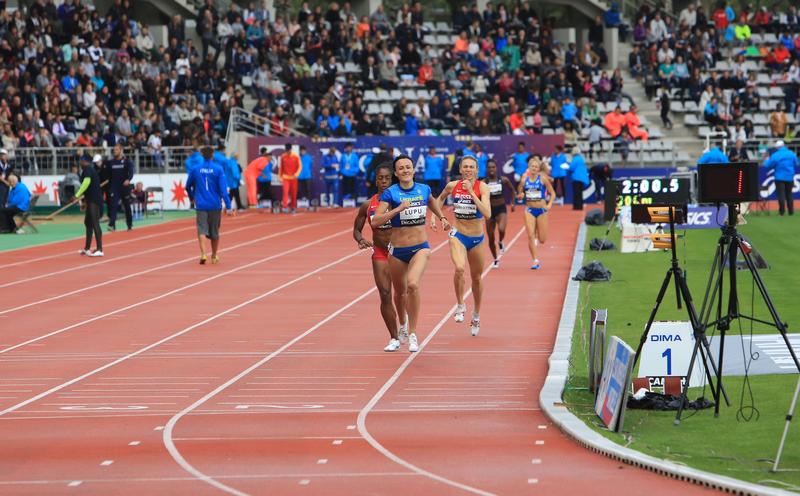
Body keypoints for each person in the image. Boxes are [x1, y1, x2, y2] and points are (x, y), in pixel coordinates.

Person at [371, 155, 450, 352]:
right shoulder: (390, 193)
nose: (405, 170)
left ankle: (413, 333)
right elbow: (375, 221)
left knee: (413, 284)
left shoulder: (424, 189)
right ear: (396, 173)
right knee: (399, 293)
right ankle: (403, 326)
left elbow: (432, 202)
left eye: (408, 167)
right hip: (397, 251)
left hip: (420, 247)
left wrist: (441, 217)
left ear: (413, 170)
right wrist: (397, 209)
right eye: (401, 168)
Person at [352, 163, 407, 352]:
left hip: (400, 253)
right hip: (381, 253)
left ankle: (405, 326)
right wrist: (360, 239)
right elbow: (356, 229)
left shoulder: (401, 201)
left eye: (387, 178)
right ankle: (394, 338)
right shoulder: (368, 205)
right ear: (376, 180)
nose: (384, 181)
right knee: (385, 294)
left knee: (402, 294)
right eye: (381, 178)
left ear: (393, 180)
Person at [435, 156, 491, 336]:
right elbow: (439, 199)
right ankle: (460, 305)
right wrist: (438, 217)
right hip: (457, 233)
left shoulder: (482, 187)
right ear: (460, 169)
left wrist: (472, 193)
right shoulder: (452, 186)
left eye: (471, 167)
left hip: (476, 238)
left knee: (476, 278)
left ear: (477, 170)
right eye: (465, 167)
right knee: (459, 268)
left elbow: (487, 213)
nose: (468, 169)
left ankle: (476, 315)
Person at [186, 146, 235, 264]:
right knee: (214, 232)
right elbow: (223, 190)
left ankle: (203, 254)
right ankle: (214, 255)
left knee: (201, 229)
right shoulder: (218, 169)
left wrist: (192, 197)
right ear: (213, 155)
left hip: (201, 204)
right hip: (215, 205)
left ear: (202, 155)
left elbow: (187, 186)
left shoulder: (195, 169)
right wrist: (228, 206)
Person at [516, 156, 556, 269]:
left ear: (538, 168)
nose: (534, 168)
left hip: (542, 210)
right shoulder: (524, 180)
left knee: (542, 239)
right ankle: (535, 260)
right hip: (529, 210)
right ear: (529, 167)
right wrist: (520, 195)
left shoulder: (542, 179)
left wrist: (549, 205)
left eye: (536, 166)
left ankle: (538, 234)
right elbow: (519, 194)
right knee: (530, 235)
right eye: (532, 166)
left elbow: (552, 193)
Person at [483, 159, 515, 268]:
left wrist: (513, 203)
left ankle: (501, 241)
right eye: (489, 167)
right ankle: (495, 259)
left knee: (501, 229)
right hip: (489, 211)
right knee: (491, 238)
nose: (491, 169)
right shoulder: (484, 182)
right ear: (486, 169)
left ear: (496, 168)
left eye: (493, 167)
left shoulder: (503, 180)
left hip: (501, 209)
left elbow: (512, 190)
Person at [73, 155, 104, 255]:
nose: (79, 163)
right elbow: (90, 188)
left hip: (94, 200)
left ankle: (99, 249)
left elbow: (86, 183)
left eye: (80, 161)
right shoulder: (89, 169)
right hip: (91, 199)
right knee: (88, 222)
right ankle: (87, 248)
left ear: (84, 161)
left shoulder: (87, 170)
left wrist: (77, 195)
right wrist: (85, 202)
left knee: (95, 222)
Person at [763, 140, 798, 216]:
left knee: (781, 195)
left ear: (777, 147)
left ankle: (782, 212)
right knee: (789, 194)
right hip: (790, 177)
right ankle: (791, 212)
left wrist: (765, 159)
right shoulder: (791, 153)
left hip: (779, 177)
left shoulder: (776, 155)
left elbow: (767, 165)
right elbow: (796, 163)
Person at [106, 143, 135, 231]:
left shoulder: (127, 161)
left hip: (124, 188)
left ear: (121, 150)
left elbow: (131, 172)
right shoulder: (110, 162)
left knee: (127, 206)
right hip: (114, 188)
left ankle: (129, 225)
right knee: (113, 206)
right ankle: (112, 225)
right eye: (114, 150)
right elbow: (108, 175)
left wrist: (128, 180)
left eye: (116, 150)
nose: (114, 151)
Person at [279, 143, 301, 213]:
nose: (288, 151)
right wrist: (280, 177)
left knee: (293, 193)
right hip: (285, 178)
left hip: (293, 178)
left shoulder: (296, 156)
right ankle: (285, 207)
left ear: (291, 149)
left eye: (289, 150)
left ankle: (293, 207)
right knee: (285, 192)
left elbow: (300, 166)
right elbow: (281, 168)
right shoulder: (283, 156)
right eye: (286, 150)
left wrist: (296, 174)